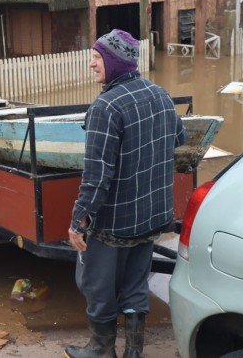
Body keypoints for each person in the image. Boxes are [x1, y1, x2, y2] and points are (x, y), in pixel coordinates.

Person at [65, 29, 186, 358]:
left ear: (115, 62)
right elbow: (178, 138)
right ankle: (134, 353)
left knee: (97, 286)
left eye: (97, 57)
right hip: (152, 217)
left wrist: (78, 220)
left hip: (115, 222)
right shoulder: (160, 94)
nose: (91, 64)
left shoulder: (105, 107)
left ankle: (101, 352)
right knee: (135, 285)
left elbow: (96, 176)